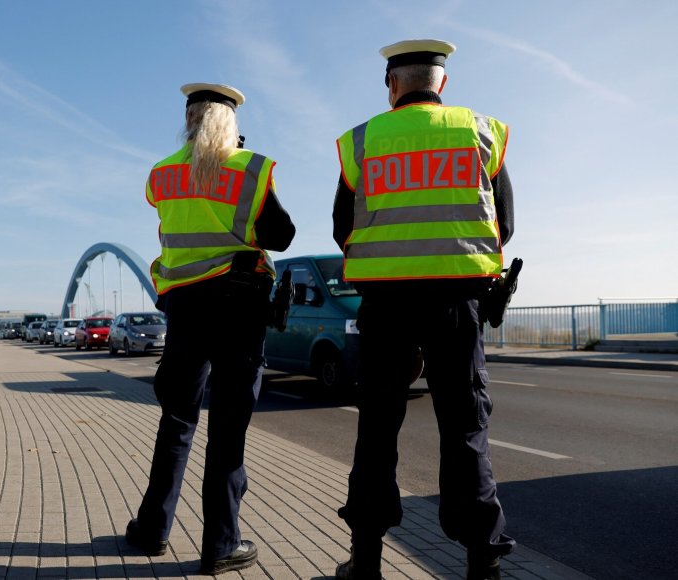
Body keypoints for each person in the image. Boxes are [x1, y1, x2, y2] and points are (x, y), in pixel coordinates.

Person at [331, 40, 516, 580]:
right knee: (464, 431)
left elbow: (343, 228)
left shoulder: (362, 141)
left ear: (393, 86)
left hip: (385, 306)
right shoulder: (480, 131)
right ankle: (482, 561)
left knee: (377, 431)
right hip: (456, 304)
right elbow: (503, 224)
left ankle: (365, 561)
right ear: (442, 84)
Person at [125, 82, 295, 575]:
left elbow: (172, 226)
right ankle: (221, 544)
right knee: (227, 428)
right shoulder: (249, 168)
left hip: (185, 309)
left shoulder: (162, 174)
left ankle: (153, 529)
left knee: (176, 420)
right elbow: (281, 235)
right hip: (239, 307)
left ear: (189, 119)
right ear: (231, 125)